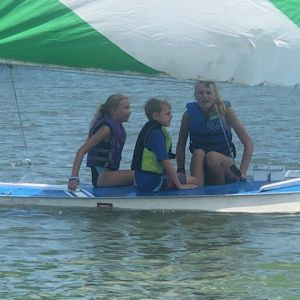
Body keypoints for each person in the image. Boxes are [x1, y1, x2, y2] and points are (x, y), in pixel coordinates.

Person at [176, 81, 253, 186]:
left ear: (215, 95)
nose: (204, 96)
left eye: (208, 93)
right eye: (200, 93)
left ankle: (220, 189)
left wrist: (242, 172)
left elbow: (248, 142)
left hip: (228, 166)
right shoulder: (188, 115)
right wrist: (180, 170)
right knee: (198, 153)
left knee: (212, 156)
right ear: (195, 95)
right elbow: (180, 145)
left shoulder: (226, 111)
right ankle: (196, 185)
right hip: (202, 164)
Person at [68, 94, 133, 191]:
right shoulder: (106, 129)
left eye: (129, 108)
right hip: (101, 178)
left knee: (140, 174)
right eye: (126, 108)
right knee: (139, 176)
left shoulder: (117, 127)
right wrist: (74, 178)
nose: (130, 111)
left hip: (109, 175)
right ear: (114, 110)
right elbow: (81, 151)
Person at [131, 97, 198, 193]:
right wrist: (179, 186)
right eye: (168, 114)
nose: (171, 116)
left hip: (141, 180)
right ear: (156, 116)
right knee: (196, 180)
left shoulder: (150, 128)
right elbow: (166, 162)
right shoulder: (156, 134)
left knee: (185, 178)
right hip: (152, 183)